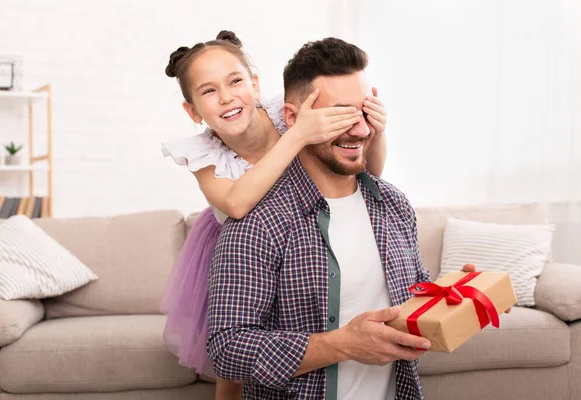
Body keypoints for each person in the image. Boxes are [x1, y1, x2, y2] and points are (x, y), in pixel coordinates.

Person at [207, 37, 483, 400]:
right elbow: (227, 349)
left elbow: (412, 296)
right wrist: (343, 345)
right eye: (340, 115)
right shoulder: (259, 222)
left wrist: (458, 297)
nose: (360, 130)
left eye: (364, 112)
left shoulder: (393, 205)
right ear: (293, 118)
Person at [159, 31, 388, 399]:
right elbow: (236, 204)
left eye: (235, 81)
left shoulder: (285, 111)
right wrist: (297, 137)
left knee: (300, 327)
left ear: (254, 83)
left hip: (299, 229)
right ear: (192, 111)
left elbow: (369, 173)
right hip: (237, 242)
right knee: (234, 368)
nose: (227, 97)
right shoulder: (202, 155)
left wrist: (376, 132)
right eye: (208, 91)